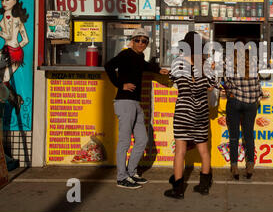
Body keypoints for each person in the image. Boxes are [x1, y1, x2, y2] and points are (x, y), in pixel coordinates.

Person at [105, 28, 169, 189]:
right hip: (125, 102)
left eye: (144, 41)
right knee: (125, 142)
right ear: (132, 41)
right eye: (138, 40)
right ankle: (121, 177)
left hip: (135, 103)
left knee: (142, 140)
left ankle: (131, 172)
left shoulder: (138, 56)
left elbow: (145, 65)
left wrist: (159, 70)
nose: (141, 43)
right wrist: (120, 84)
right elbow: (108, 66)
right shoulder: (126, 54)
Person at [164, 31, 217, 199]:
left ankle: (178, 189)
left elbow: (173, 82)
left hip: (183, 110)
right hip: (201, 110)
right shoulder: (205, 64)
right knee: (203, 150)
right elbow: (211, 87)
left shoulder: (177, 63)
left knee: (180, 151)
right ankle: (203, 185)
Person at [224, 46, 262, 180]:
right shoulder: (253, 64)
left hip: (235, 101)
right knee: (249, 135)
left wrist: (231, 93)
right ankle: (250, 166)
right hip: (251, 103)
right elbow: (257, 84)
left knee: (234, 136)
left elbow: (227, 84)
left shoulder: (229, 64)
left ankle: (234, 168)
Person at [0, 0, 30, 113]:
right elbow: (26, 40)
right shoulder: (12, 16)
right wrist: (16, 47)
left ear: (15, 0)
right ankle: (15, 99)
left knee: (5, 78)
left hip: (11, 52)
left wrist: (14, 48)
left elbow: (9, 36)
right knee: (4, 78)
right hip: (11, 51)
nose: (4, 2)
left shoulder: (12, 18)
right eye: (2, 0)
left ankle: (11, 99)